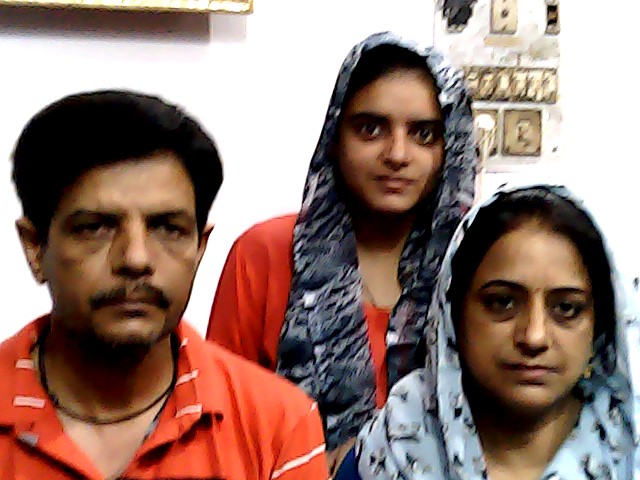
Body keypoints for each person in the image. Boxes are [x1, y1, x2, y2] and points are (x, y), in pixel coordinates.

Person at [0, 90, 328, 479]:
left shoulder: (277, 423)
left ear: (199, 247)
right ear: (35, 248)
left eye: (168, 229)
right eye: (95, 228)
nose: (136, 259)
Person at [206, 31, 477, 468]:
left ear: (453, 148)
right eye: (371, 129)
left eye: (424, 134)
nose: (397, 154)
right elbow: (221, 423)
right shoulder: (266, 253)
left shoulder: (474, 264)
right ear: (336, 135)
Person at [336, 184, 639, 479]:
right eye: (502, 302)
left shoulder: (627, 450)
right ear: (453, 313)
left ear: (601, 324)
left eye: (566, 308)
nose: (534, 337)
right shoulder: (393, 446)